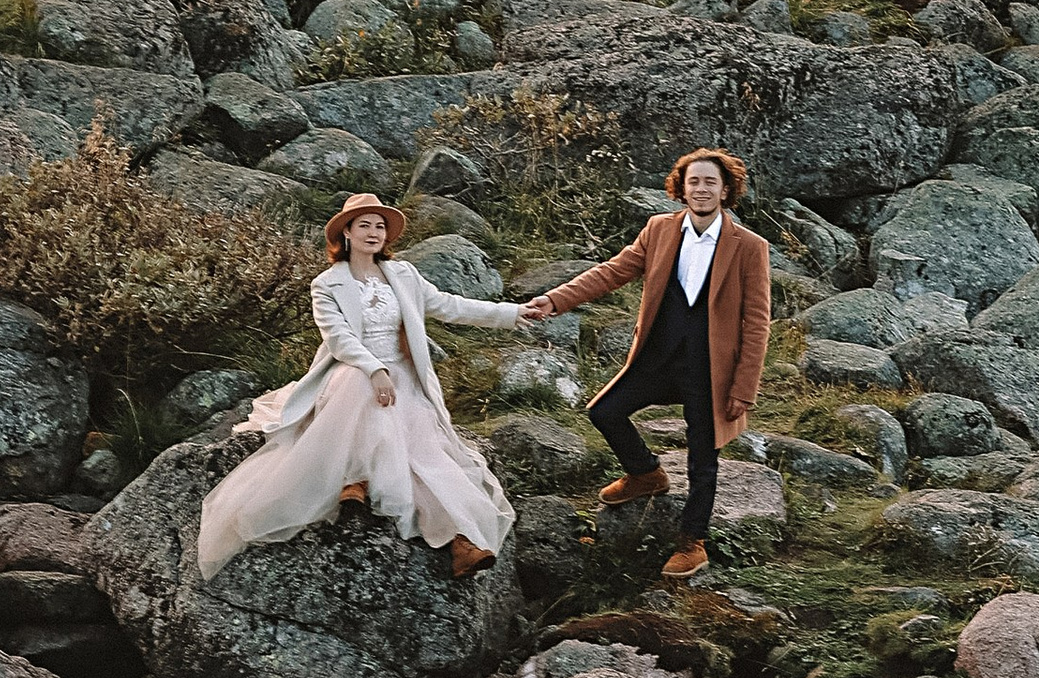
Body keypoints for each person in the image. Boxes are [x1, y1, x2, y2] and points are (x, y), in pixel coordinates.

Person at [196, 192, 529, 580]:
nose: (374, 233)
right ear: (347, 233)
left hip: (404, 375)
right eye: (365, 225)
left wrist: (515, 313)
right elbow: (339, 340)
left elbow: (451, 306)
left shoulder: (404, 275)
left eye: (380, 226)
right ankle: (354, 479)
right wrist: (374, 369)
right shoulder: (327, 284)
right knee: (359, 385)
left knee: (426, 453)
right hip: (351, 369)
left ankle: (460, 542)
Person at [524, 146, 771, 582]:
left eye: (710, 181)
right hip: (656, 356)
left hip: (710, 368)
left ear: (726, 189)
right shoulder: (659, 229)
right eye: (693, 181)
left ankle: (692, 543)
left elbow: (757, 322)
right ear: (681, 187)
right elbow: (611, 272)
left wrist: (743, 389)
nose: (701, 188)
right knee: (604, 411)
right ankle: (645, 473)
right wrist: (555, 299)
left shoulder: (749, 247)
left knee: (703, 456)